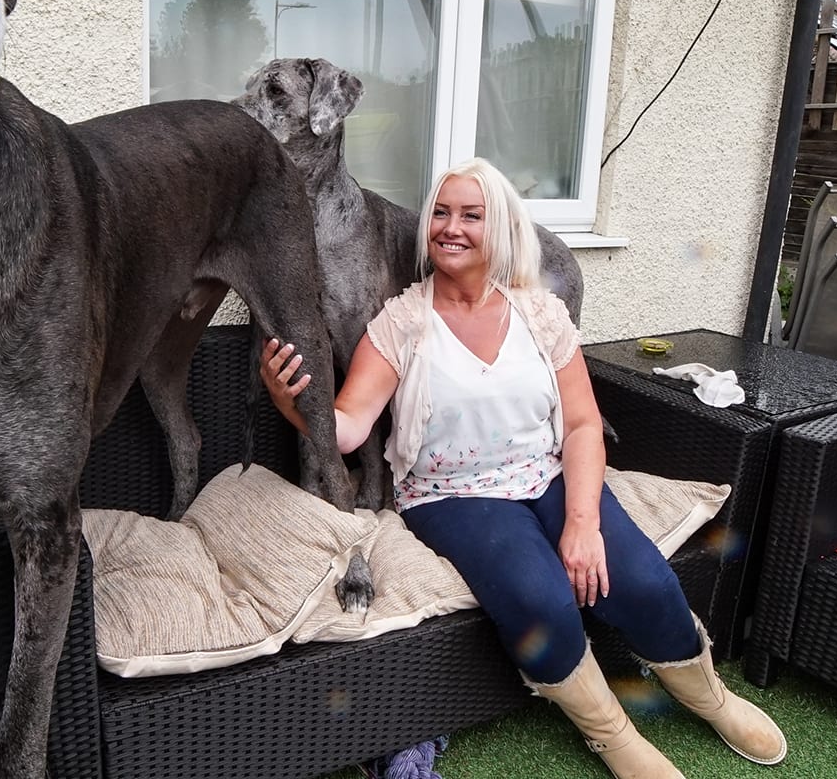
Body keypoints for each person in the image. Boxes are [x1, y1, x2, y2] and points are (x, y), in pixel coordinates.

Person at [259, 158, 785, 779]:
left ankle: (710, 697)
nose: (449, 227)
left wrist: (583, 523)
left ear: (502, 228)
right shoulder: (401, 322)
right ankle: (612, 734)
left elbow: (583, 424)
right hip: (450, 495)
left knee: (641, 580)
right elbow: (348, 428)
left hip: (547, 474)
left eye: (470, 216)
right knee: (543, 601)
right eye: (442, 213)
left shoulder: (539, 313)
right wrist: (292, 402)